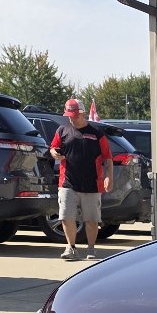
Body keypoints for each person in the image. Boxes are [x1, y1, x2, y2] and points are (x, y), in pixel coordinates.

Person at [49, 98, 113, 261]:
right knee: (66, 217)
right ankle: (71, 248)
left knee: (91, 220)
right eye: (69, 115)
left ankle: (91, 249)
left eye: (75, 115)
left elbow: (108, 157)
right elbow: (53, 148)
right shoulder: (62, 130)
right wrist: (54, 153)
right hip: (67, 182)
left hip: (92, 183)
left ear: (83, 113)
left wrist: (109, 177)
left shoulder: (97, 133)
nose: (72, 118)